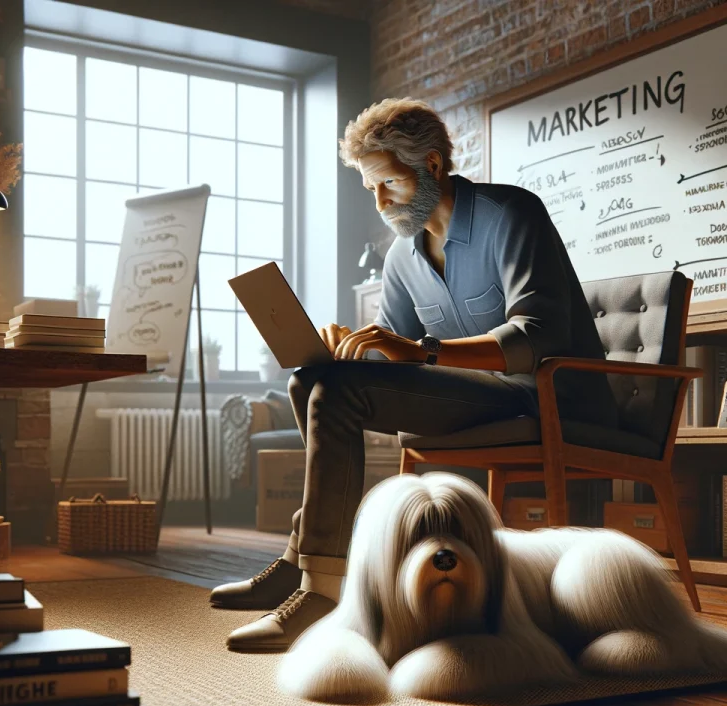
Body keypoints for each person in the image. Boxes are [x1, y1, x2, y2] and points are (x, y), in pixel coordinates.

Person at [210, 97, 619, 652]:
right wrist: (348, 349)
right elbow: (390, 356)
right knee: (311, 381)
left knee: (332, 392)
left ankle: (323, 592)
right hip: (478, 398)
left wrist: (418, 351)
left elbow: (536, 337)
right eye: (369, 188)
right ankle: (299, 559)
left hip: (542, 395)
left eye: (388, 184)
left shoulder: (511, 214)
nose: (379, 202)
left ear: (431, 165)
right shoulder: (403, 256)